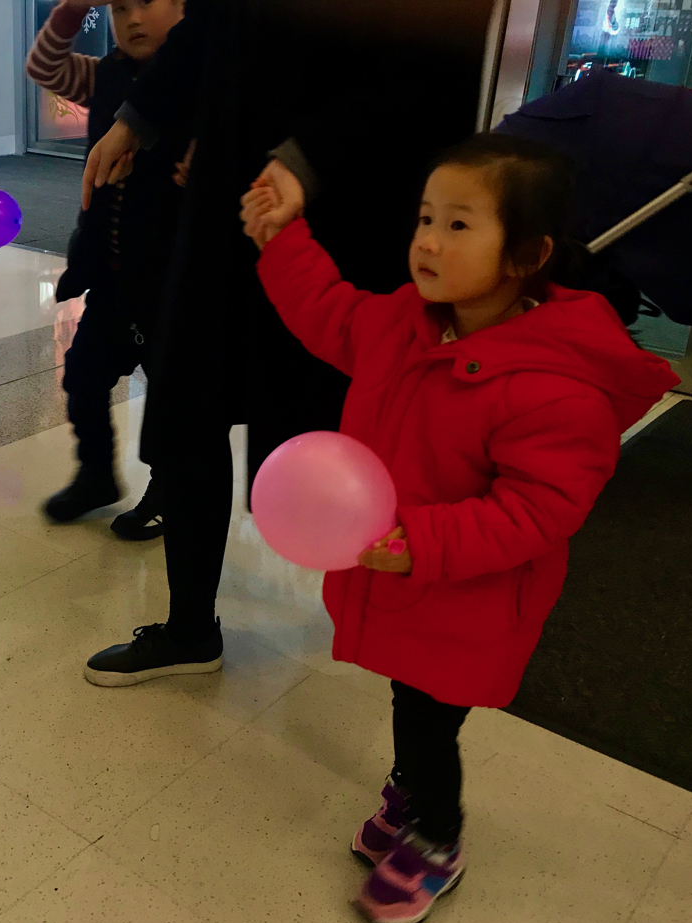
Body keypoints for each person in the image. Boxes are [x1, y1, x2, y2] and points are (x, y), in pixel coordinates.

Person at [240, 133, 679, 923]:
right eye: (425, 218)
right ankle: (410, 792)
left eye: (458, 225)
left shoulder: (557, 387)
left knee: (428, 720)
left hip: (469, 603)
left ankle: (437, 835)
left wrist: (418, 542)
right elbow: (327, 312)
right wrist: (282, 236)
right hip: (406, 585)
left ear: (528, 255)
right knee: (409, 698)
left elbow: (538, 510)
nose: (428, 242)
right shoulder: (406, 324)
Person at [79, 0, 498, 686]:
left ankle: (407, 642)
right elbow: (215, 24)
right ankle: (190, 627)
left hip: (339, 213)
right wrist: (137, 116)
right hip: (224, 206)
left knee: (364, 425)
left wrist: (307, 159)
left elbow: (432, 64)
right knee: (187, 411)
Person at [26, 0, 189, 541]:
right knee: (83, 375)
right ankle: (96, 473)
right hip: (114, 276)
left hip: (173, 283)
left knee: (171, 401)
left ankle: (168, 490)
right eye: (120, 7)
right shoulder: (103, 74)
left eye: (147, 2)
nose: (132, 18)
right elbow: (43, 68)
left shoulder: (200, 81)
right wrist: (73, 10)